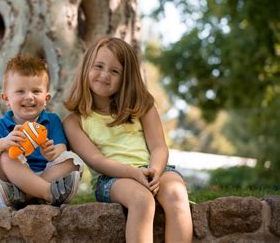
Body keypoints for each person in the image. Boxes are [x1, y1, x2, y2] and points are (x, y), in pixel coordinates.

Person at [63, 37, 193, 242]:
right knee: (142, 200)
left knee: (177, 194)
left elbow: (159, 146)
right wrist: (133, 173)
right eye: (99, 66)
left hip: (153, 170)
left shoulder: (143, 105)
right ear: (87, 67)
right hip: (112, 179)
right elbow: (97, 161)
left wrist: (155, 171)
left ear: (126, 78)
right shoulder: (74, 121)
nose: (105, 75)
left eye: (115, 71)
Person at [0, 54, 84, 209]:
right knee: (5, 157)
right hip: (14, 181)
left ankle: (26, 195)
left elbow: (61, 148)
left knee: (73, 161)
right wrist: (4, 143)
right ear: (6, 99)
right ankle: (48, 193)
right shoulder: (0, 125)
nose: (29, 97)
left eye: (36, 91)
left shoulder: (52, 120)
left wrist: (51, 152)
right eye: (20, 91)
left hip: (45, 175)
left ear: (46, 98)